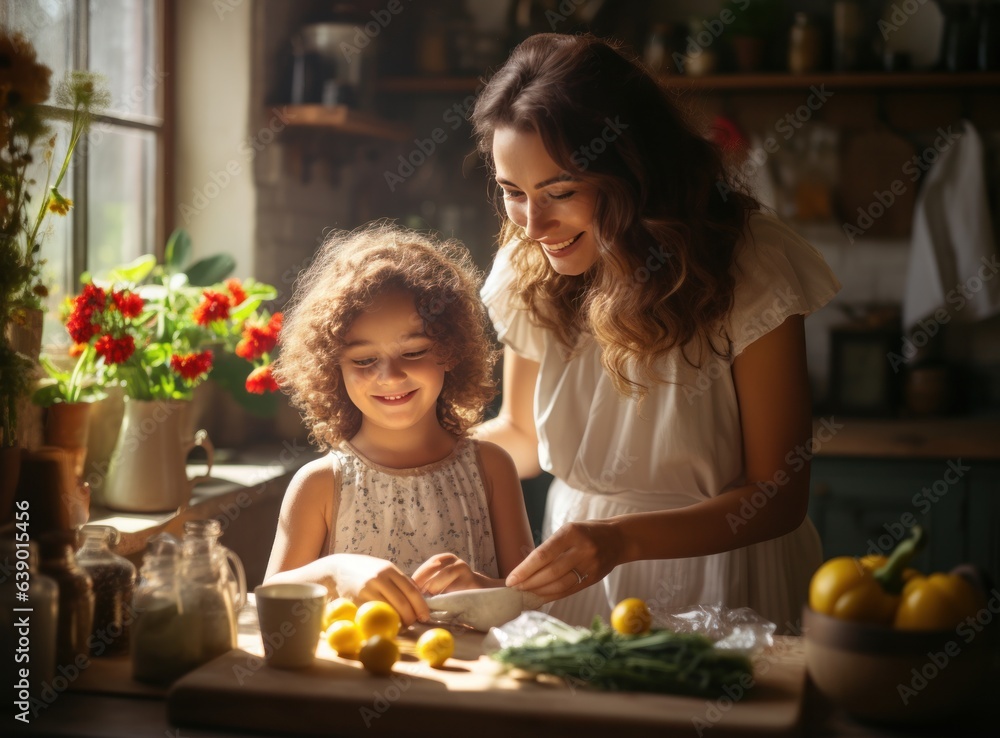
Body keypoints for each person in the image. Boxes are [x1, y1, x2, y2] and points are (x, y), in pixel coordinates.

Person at [468, 33, 842, 632]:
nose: (534, 224)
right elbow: (520, 435)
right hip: (582, 566)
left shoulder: (748, 261)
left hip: (727, 570)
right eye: (514, 193)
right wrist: (411, 456)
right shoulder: (529, 266)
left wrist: (621, 540)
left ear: (633, 172)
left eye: (560, 192)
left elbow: (778, 493)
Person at [265, 223, 534, 626]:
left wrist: (483, 587)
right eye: (363, 360)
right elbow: (270, 602)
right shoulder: (320, 483)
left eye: (414, 351)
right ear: (331, 368)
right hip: (355, 680)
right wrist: (335, 571)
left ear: (451, 349)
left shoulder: (491, 468)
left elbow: (534, 599)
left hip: (475, 682)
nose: (390, 376)